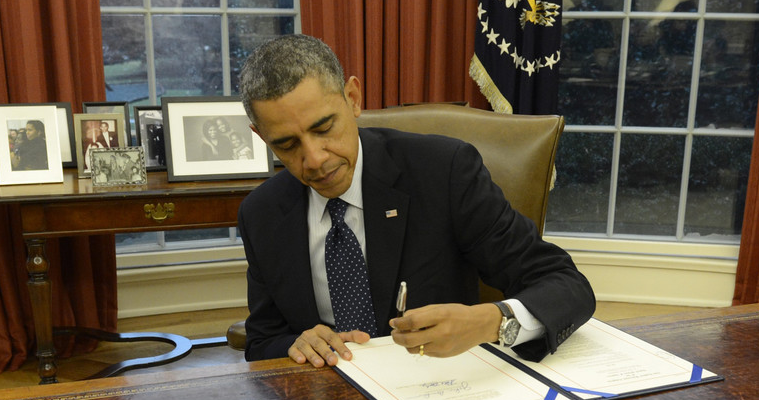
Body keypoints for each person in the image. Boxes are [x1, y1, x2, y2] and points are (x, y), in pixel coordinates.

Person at [237, 34, 594, 366]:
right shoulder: (261, 214)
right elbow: (262, 341)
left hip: (440, 387)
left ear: (353, 98)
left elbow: (566, 285)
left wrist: (492, 321)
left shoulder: (443, 172)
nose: (314, 159)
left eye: (324, 128)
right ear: (261, 136)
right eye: (286, 144)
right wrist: (294, 345)